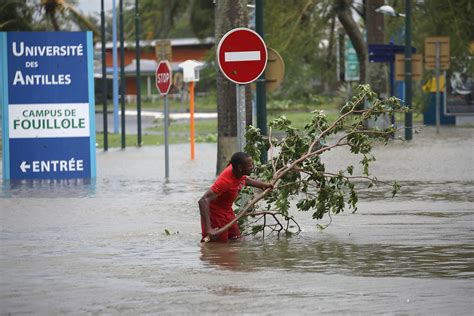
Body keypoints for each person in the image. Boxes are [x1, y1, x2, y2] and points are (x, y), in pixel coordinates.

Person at [199, 152, 272, 242]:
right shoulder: (225, 181)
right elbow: (203, 200)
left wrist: (262, 185)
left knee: (236, 239)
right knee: (219, 245)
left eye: (252, 164)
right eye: (249, 166)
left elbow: (244, 179)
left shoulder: (238, 173)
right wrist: (209, 229)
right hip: (215, 215)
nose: (252, 167)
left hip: (227, 211)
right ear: (240, 168)